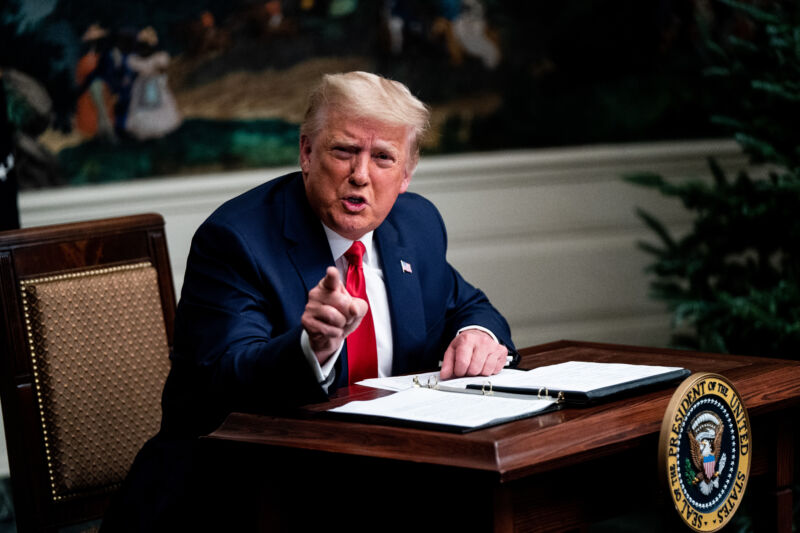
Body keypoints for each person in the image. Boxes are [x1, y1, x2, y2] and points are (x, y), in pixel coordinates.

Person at [101, 71, 517, 532]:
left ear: (406, 174)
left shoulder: (415, 225)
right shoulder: (236, 239)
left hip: (381, 484)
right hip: (239, 494)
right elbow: (219, 381)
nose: (360, 175)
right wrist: (311, 348)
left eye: (383, 157)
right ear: (306, 152)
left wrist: (476, 334)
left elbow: (466, 304)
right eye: (344, 151)